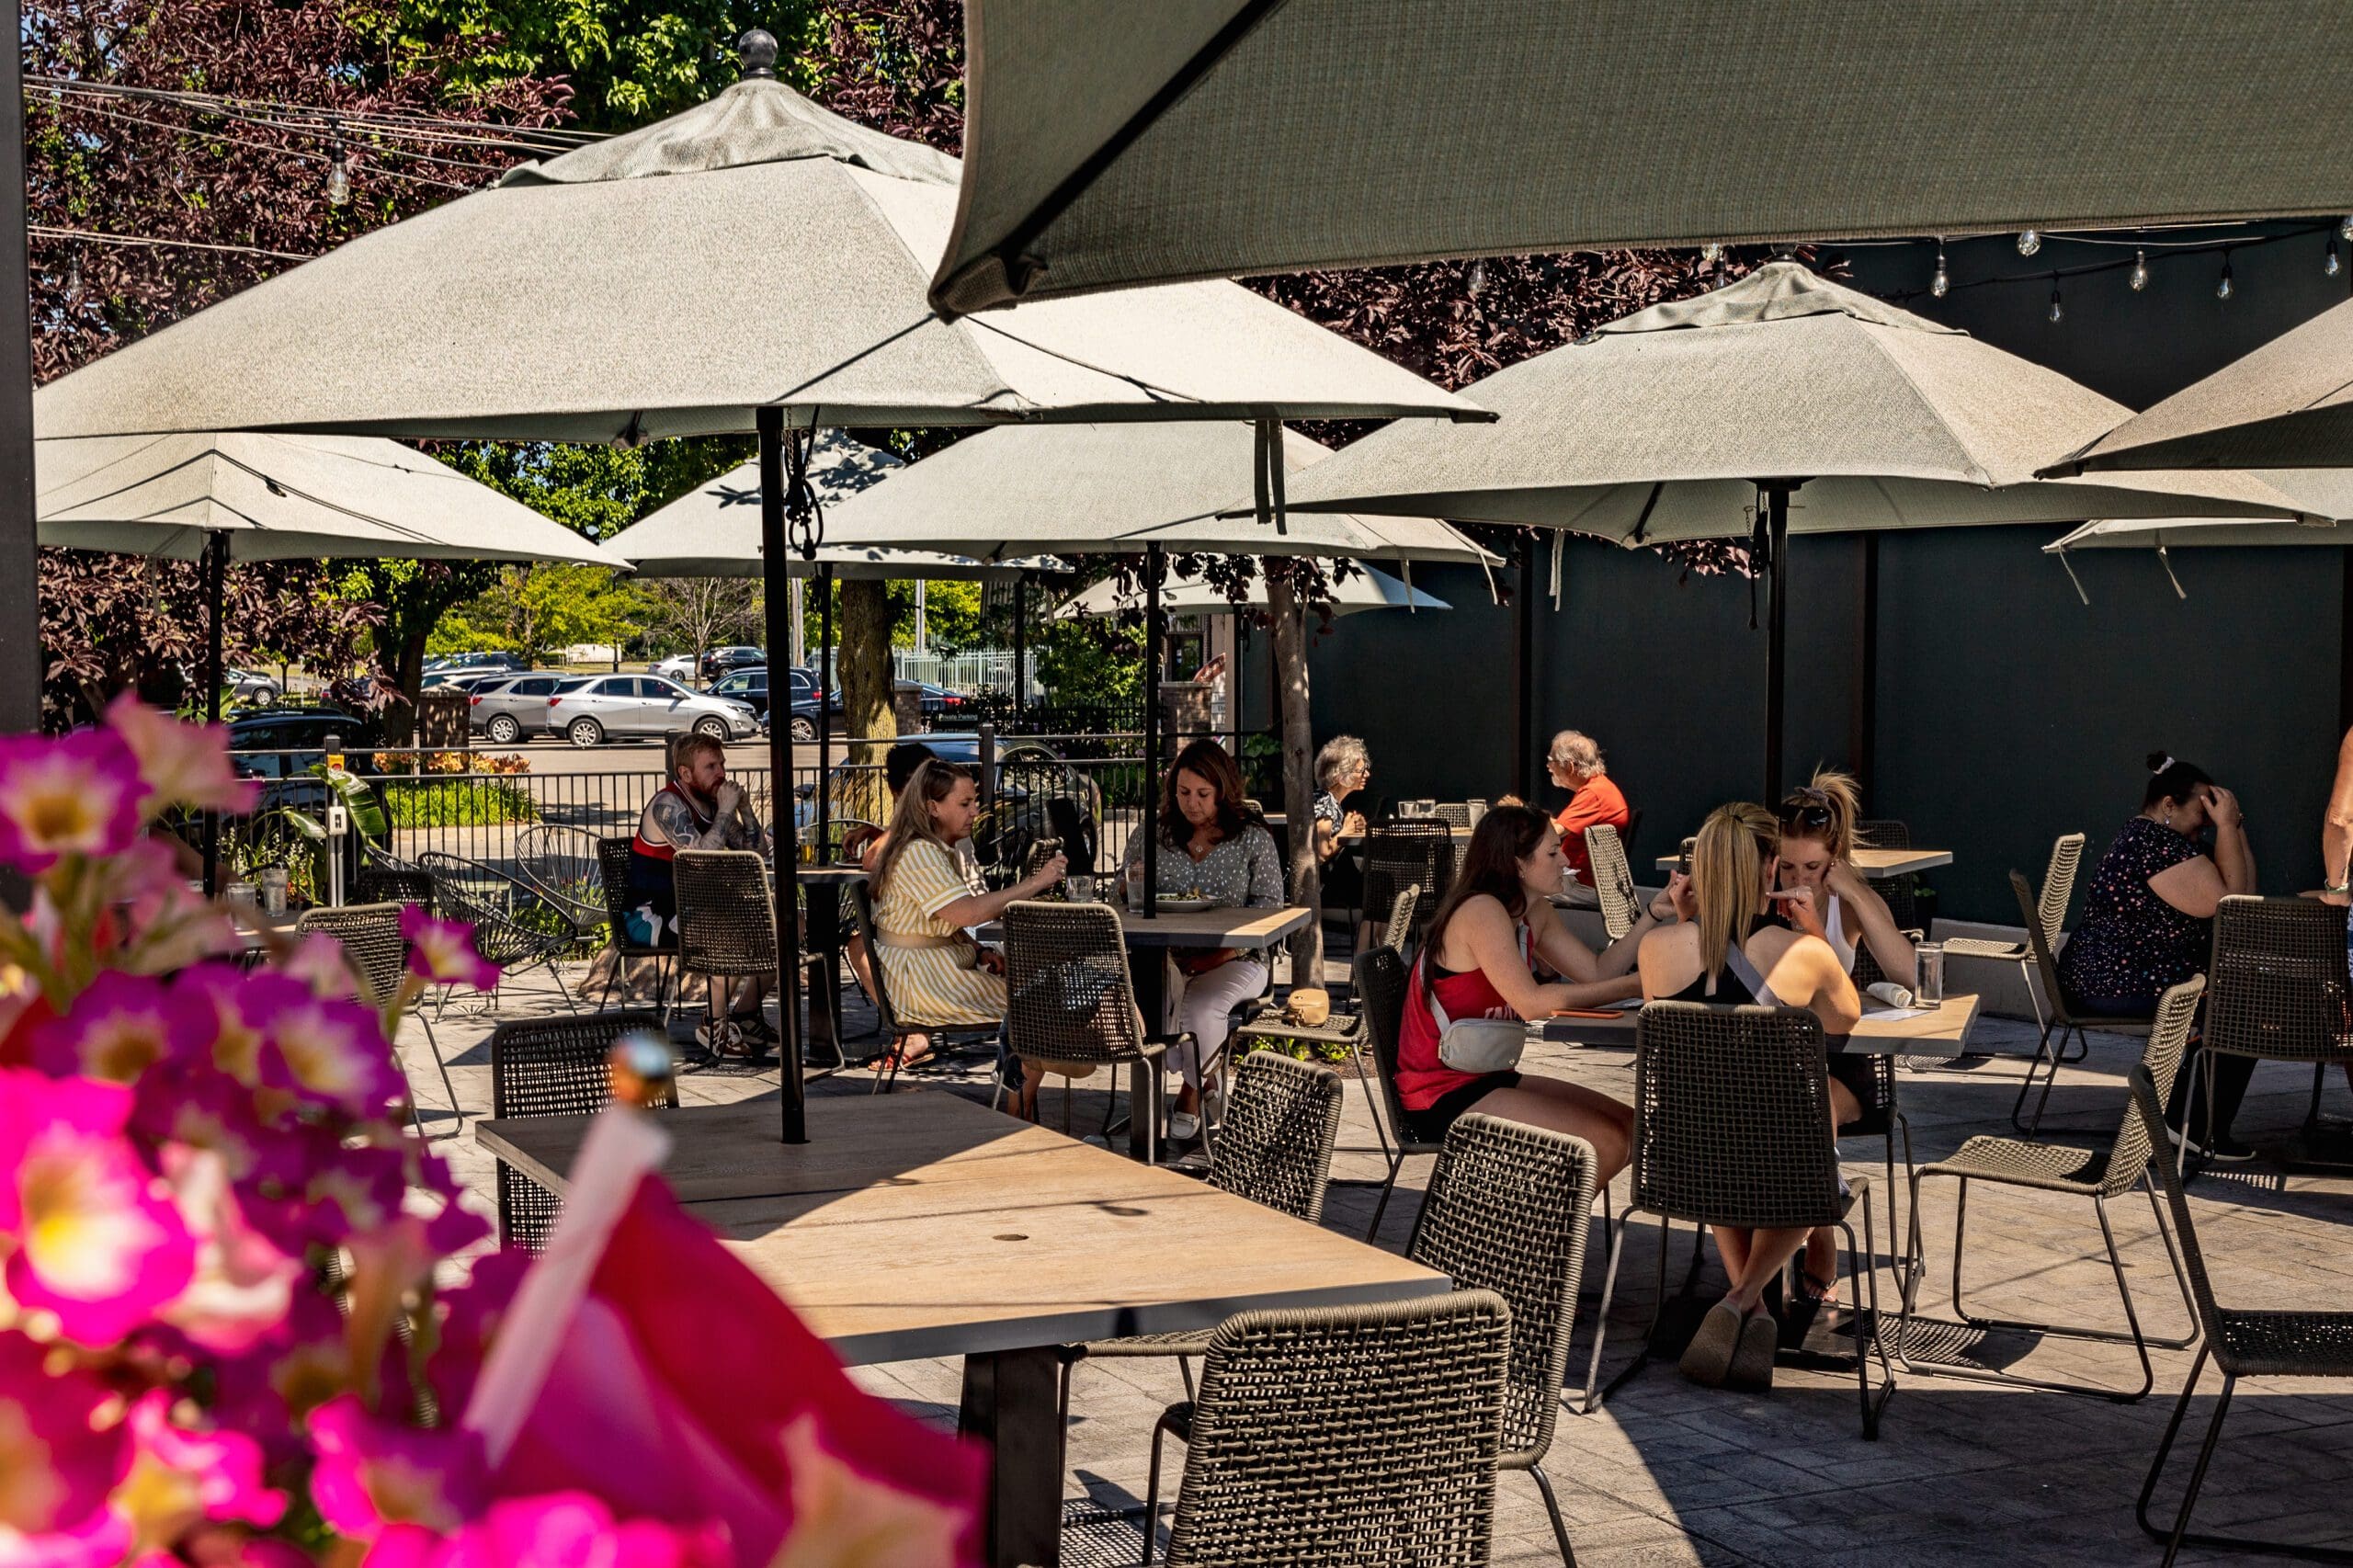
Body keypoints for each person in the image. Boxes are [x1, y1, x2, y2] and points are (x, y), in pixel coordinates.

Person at [1637, 801, 1863, 1390]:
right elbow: (1845, 1019)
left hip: (1686, 1160)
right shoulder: (1801, 953)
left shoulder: (1657, 950)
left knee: (1720, 1128)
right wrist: (1814, 935)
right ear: (1770, 869)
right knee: (1809, 1164)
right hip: (1784, 1166)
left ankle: (1748, 1305)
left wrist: (1686, 919)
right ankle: (1743, 1300)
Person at [1395, 803, 1667, 1180]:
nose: (1566, 860)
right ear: (1517, 863)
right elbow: (1532, 1004)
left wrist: (1654, 914)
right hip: (1440, 1093)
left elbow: (1596, 971)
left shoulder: (1531, 912)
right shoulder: (1481, 911)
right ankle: (1535, 1233)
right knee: (1603, 1142)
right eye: (1553, 852)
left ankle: (1543, 1223)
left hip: (1483, 1073)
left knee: (1634, 1130)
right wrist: (1642, 984)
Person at [2059, 753, 2256, 1156]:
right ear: (2169, 805)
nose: (2205, 821)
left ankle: (2188, 1120)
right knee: (2240, 1007)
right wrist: (2224, 828)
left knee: (2239, 997)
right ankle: (2191, 1128)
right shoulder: (2154, 844)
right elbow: (2232, 902)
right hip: (2111, 980)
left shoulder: (2160, 841)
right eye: (2201, 811)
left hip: (2120, 974)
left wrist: (2232, 828)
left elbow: (2245, 892)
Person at [866, 760, 1065, 1100]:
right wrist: (1037, 882)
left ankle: (1019, 1091)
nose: (976, 811)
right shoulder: (920, 853)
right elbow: (969, 913)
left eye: (974, 801)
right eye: (965, 804)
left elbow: (940, 922)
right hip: (924, 982)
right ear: (933, 808)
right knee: (1038, 1005)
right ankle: (1019, 1108)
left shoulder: (933, 849)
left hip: (930, 970)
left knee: (1039, 989)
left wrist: (979, 951)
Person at [1120, 739, 1285, 1146]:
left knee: (1205, 1007)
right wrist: (1132, 885)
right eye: (1183, 793)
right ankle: (1208, 1079)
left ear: (1224, 791)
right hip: (1166, 958)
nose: (1191, 804)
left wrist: (1221, 954)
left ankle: (1191, 1092)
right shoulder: (1152, 835)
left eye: (1202, 795)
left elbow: (1270, 908)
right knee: (1143, 1005)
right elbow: (1124, 896)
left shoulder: (1251, 838)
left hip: (1239, 956)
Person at [625, 733, 772, 1058]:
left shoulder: (712, 804)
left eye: (722, 764)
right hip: (650, 916)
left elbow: (759, 853)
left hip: (693, 910)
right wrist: (726, 812)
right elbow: (702, 860)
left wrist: (745, 810)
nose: (720, 772)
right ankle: (716, 1027)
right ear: (685, 773)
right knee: (725, 930)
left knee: (786, 925)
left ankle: (743, 1015)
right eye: (710, 766)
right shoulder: (668, 805)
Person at [1771, 769, 1916, 987]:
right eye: (1786, 866)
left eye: (1812, 866)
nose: (1799, 878)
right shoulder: (1762, 895)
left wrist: (1856, 894)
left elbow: (1913, 976)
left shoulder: (1845, 904)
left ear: (1835, 855)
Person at [841, 741, 940, 1050]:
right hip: (937, 914)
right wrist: (875, 830)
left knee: (860, 946)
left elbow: (871, 860)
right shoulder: (936, 808)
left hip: (948, 921)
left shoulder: (923, 815)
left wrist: (884, 832)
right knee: (867, 937)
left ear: (894, 787)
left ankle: (912, 1031)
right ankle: (912, 1022)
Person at [1546, 730, 1631, 908]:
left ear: (1569, 766)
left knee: (1515, 888)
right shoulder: (1600, 788)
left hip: (1581, 886)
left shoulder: (1593, 794)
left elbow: (1551, 834)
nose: (1548, 766)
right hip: (1590, 884)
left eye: (1551, 760)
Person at [1311, 734, 1371, 865]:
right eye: (1361, 770)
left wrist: (1350, 826)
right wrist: (1347, 831)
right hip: (1325, 883)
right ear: (1341, 776)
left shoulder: (1328, 800)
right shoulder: (1325, 802)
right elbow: (1321, 854)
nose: (1367, 774)